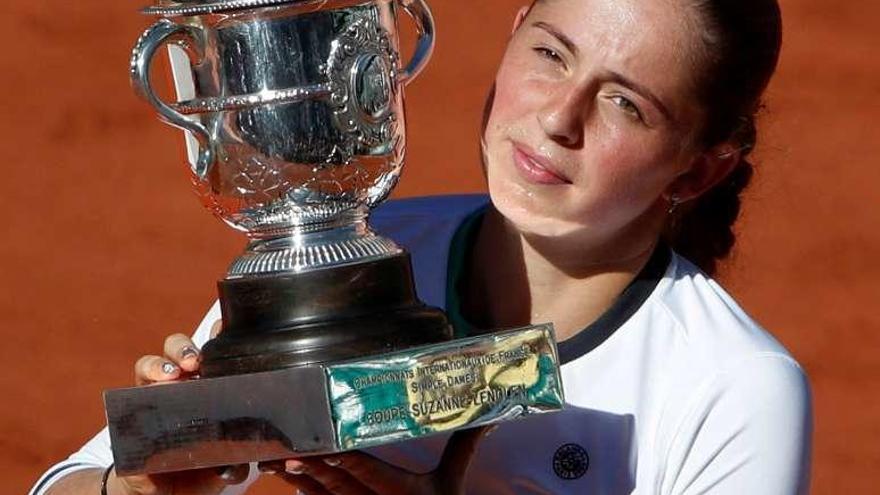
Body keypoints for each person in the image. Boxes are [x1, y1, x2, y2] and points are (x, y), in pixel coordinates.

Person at [31, 0, 812, 493]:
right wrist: (137, 489)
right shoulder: (352, 254)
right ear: (513, 32)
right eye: (550, 54)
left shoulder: (733, 388)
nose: (556, 119)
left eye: (624, 104)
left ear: (700, 166)